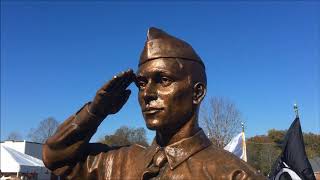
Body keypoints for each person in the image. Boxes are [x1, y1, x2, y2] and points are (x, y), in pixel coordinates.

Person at [43, 27, 264, 180]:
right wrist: (95, 112)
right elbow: (56, 157)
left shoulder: (232, 174)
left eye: (163, 80)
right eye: (141, 83)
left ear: (197, 93)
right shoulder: (119, 163)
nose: (147, 93)